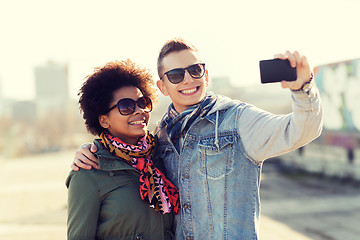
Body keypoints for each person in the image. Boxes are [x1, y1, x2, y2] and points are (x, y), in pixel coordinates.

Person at [72, 38, 323, 240]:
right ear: (162, 87)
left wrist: (303, 89)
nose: (188, 79)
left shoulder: (237, 121)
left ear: (206, 75)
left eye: (195, 70)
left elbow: (301, 130)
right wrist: (92, 148)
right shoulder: (161, 138)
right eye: (176, 75)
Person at [66, 60, 179, 240]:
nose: (139, 111)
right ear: (104, 120)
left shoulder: (163, 154)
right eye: (126, 106)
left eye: (142, 102)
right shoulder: (88, 172)